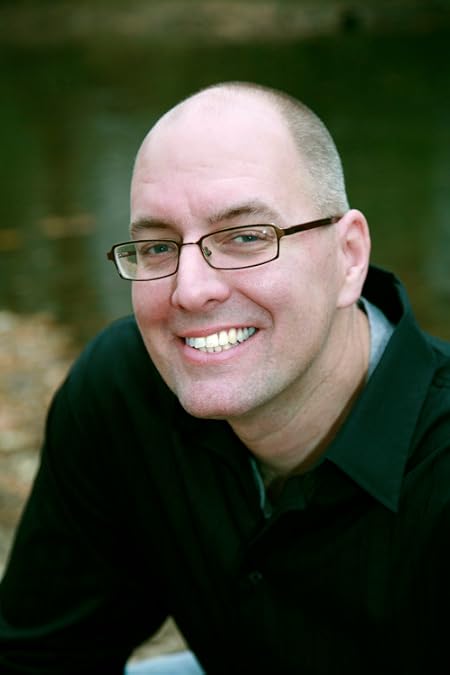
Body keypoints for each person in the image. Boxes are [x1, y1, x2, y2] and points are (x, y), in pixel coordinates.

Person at [0, 81, 449, 675]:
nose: (190, 290)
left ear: (349, 257)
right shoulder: (125, 390)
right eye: (157, 247)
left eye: (245, 238)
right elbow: (43, 657)